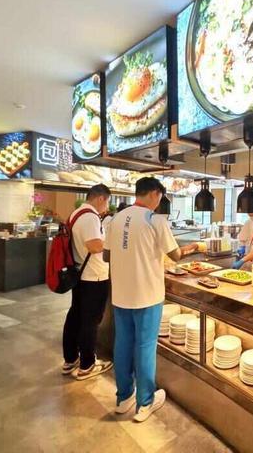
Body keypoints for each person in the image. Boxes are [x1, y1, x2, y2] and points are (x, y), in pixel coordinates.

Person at [103, 177, 193, 423]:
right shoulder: (155, 220)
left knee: (122, 344)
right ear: (154, 193)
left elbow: (106, 256)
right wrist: (195, 247)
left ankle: (123, 398)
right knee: (145, 347)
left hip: (121, 294)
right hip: (148, 295)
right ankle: (145, 403)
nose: (159, 202)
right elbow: (176, 255)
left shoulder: (115, 219)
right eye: (160, 197)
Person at [61, 184, 114, 380]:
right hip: (94, 276)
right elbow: (94, 246)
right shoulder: (90, 217)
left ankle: (70, 359)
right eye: (107, 202)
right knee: (90, 321)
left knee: (75, 316)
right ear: (101, 198)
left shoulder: (76, 214)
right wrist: (114, 244)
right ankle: (87, 365)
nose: (106, 207)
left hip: (80, 274)